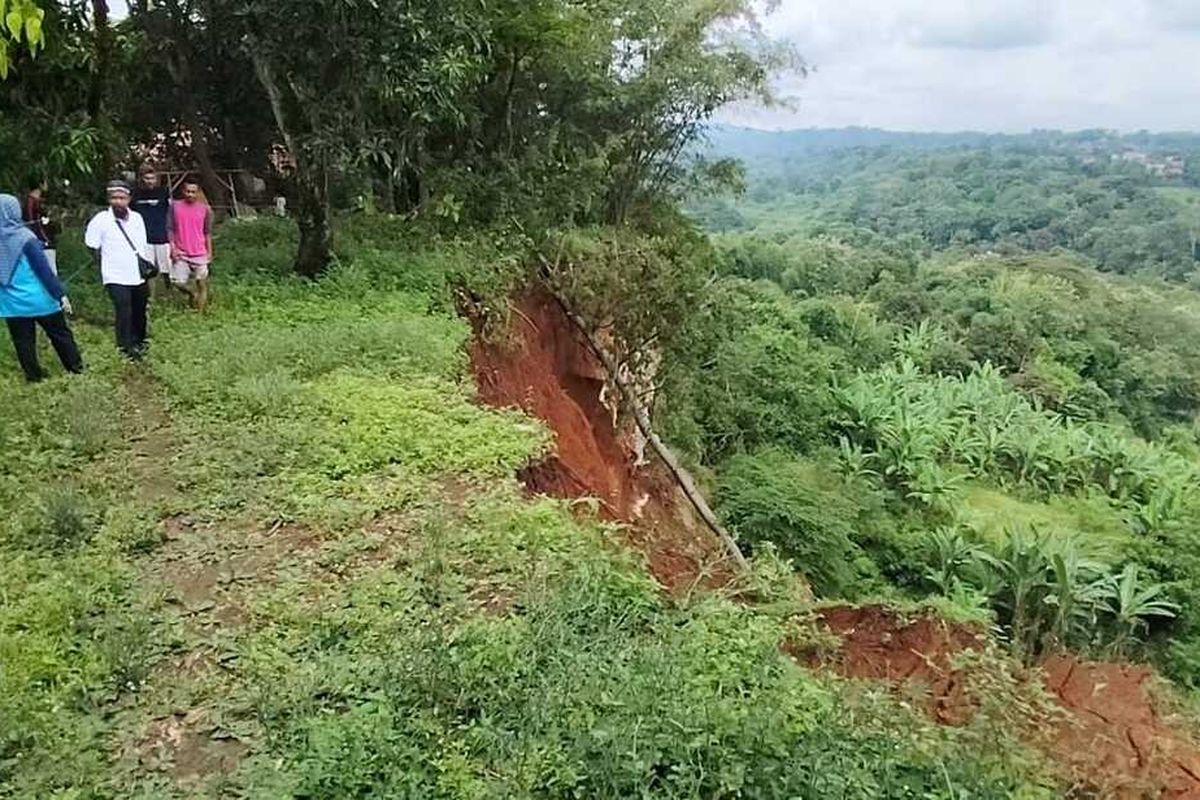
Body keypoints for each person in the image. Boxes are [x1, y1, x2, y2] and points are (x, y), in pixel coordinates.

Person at [0, 193, 83, 382]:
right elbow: (43, 270)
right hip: (39, 298)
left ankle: (33, 376)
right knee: (60, 333)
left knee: (23, 341)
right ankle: (76, 369)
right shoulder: (24, 237)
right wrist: (60, 294)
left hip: (11, 302)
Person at [86, 180, 150, 360]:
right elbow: (91, 245)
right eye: (114, 198)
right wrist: (101, 263)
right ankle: (125, 347)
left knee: (140, 309)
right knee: (123, 309)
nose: (118, 201)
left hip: (137, 274)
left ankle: (140, 341)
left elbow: (142, 245)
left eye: (122, 198)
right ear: (109, 199)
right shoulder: (101, 220)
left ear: (129, 199)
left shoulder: (137, 218)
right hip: (114, 274)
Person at [169, 178, 214, 311]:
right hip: (182, 252)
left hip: (200, 252)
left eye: (193, 192)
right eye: (188, 191)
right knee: (177, 282)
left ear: (198, 192)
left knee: (202, 282)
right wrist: (173, 248)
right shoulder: (175, 207)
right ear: (183, 191)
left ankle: (199, 313)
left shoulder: (205, 209)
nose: (190, 194)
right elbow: (170, 229)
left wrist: (210, 252)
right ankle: (191, 293)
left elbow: (207, 232)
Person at [131, 165, 172, 292]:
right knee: (149, 270)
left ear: (156, 179)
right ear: (142, 179)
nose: (150, 181)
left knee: (167, 270)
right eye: (147, 178)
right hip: (145, 239)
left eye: (152, 178)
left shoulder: (163, 192)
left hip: (163, 237)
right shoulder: (136, 194)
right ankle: (150, 297)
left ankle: (169, 292)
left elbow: (170, 212)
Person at [22, 183, 57, 274]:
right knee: (49, 269)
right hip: (41, 240)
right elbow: (32, 222)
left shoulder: (36, 201)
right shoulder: (31, 202)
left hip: (40, 238)